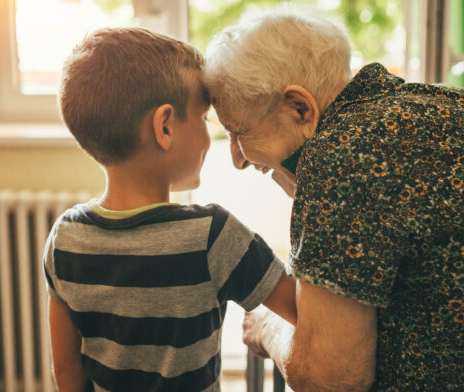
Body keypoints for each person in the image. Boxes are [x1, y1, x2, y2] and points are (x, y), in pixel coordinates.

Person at [203, 9, 464, 391]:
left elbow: (329, 377)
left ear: (300, 108)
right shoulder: (462, 106)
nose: (237, 158)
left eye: (238, 131)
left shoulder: (344, 153)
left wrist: (269, 329)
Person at [44, 27, 297, 392]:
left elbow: (66, 372)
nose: (212, 135)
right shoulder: (213, 236)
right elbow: (303, 310)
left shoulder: (65, 239)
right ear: (165, 126)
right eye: (204, 118)